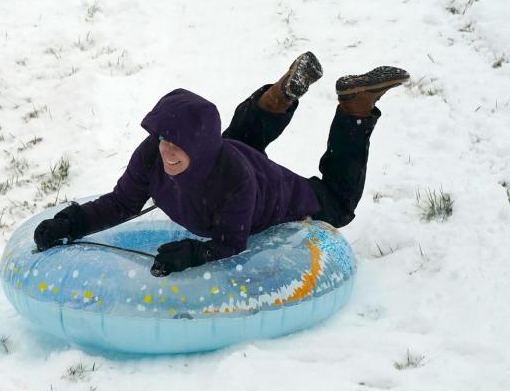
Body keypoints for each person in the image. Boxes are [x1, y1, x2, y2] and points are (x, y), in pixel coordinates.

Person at [33, 52, 410, 277]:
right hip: (223, 154)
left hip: (268, 189)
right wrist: (73, 222)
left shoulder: (236, 182)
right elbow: (120, 203)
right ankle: (281, 94)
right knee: (229, 142)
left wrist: (194, 255)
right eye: (163, 138)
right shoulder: (155, 153)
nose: (166, 150)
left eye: (176, 143)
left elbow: (231, 243)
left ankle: (355, 106)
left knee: (338, 205)